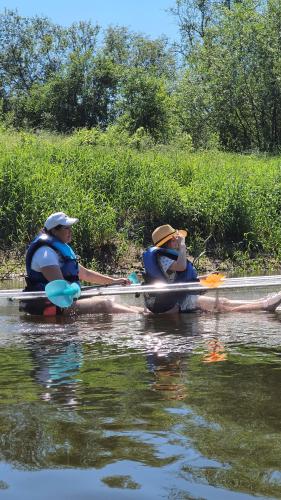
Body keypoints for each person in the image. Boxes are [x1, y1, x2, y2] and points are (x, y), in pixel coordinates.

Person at [21, 212, 145, 316]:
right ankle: (141, 322)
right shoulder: (45, 253)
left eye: (70, 227)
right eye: (66, 228)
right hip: (53, 304)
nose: (70, 231)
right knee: (105, 304)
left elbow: (86, 274)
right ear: (54, 231)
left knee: (116, 303)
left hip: (65, 301)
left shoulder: (58, 251)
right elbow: (61, 287)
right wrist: (76, 290)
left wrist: (114, 281)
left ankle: (147, 314)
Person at [142, 224, 281, 314]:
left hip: (180, 296)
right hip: (177, 300)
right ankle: (264, 305)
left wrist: (206, 277)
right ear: (168, 241)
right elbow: (182, 267)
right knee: (221, 305)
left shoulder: (168, 257)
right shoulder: (163, 258)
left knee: (223, 302)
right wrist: (183, 246)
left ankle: (261, 302)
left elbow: (181, 278)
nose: (177, 241)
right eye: (174, 239)